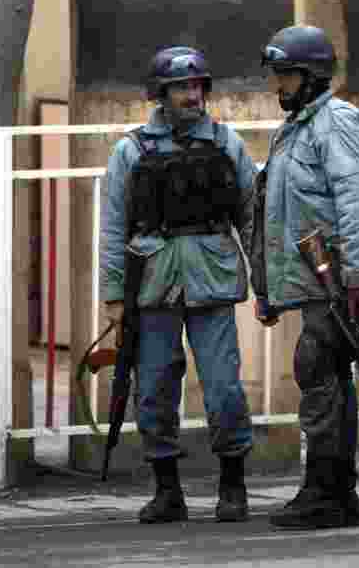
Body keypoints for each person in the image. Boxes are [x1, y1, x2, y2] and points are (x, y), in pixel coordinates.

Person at [250, 24, 359, 530]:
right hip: (320, 282)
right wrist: (269, 288)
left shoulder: (335, 123)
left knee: (318, 369)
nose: (278, 86)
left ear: (312, 76)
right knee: (325, 376)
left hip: (341, 282)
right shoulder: (299, 127)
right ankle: (336, 492)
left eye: (286, 75)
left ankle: (325, 492)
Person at [99, 45, 257, 524]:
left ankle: (233, 484)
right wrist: (112, 295)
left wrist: (268, 285)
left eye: (197, 86)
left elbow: (251, 217)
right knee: (154, 390)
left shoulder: (227, 144)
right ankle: (167, 489)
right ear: (160, 94)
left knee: (224, 388)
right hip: (153, 284)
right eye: (180, 87)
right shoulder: (131, 150)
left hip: (212, 280)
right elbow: (113, 227)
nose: (192, 95)